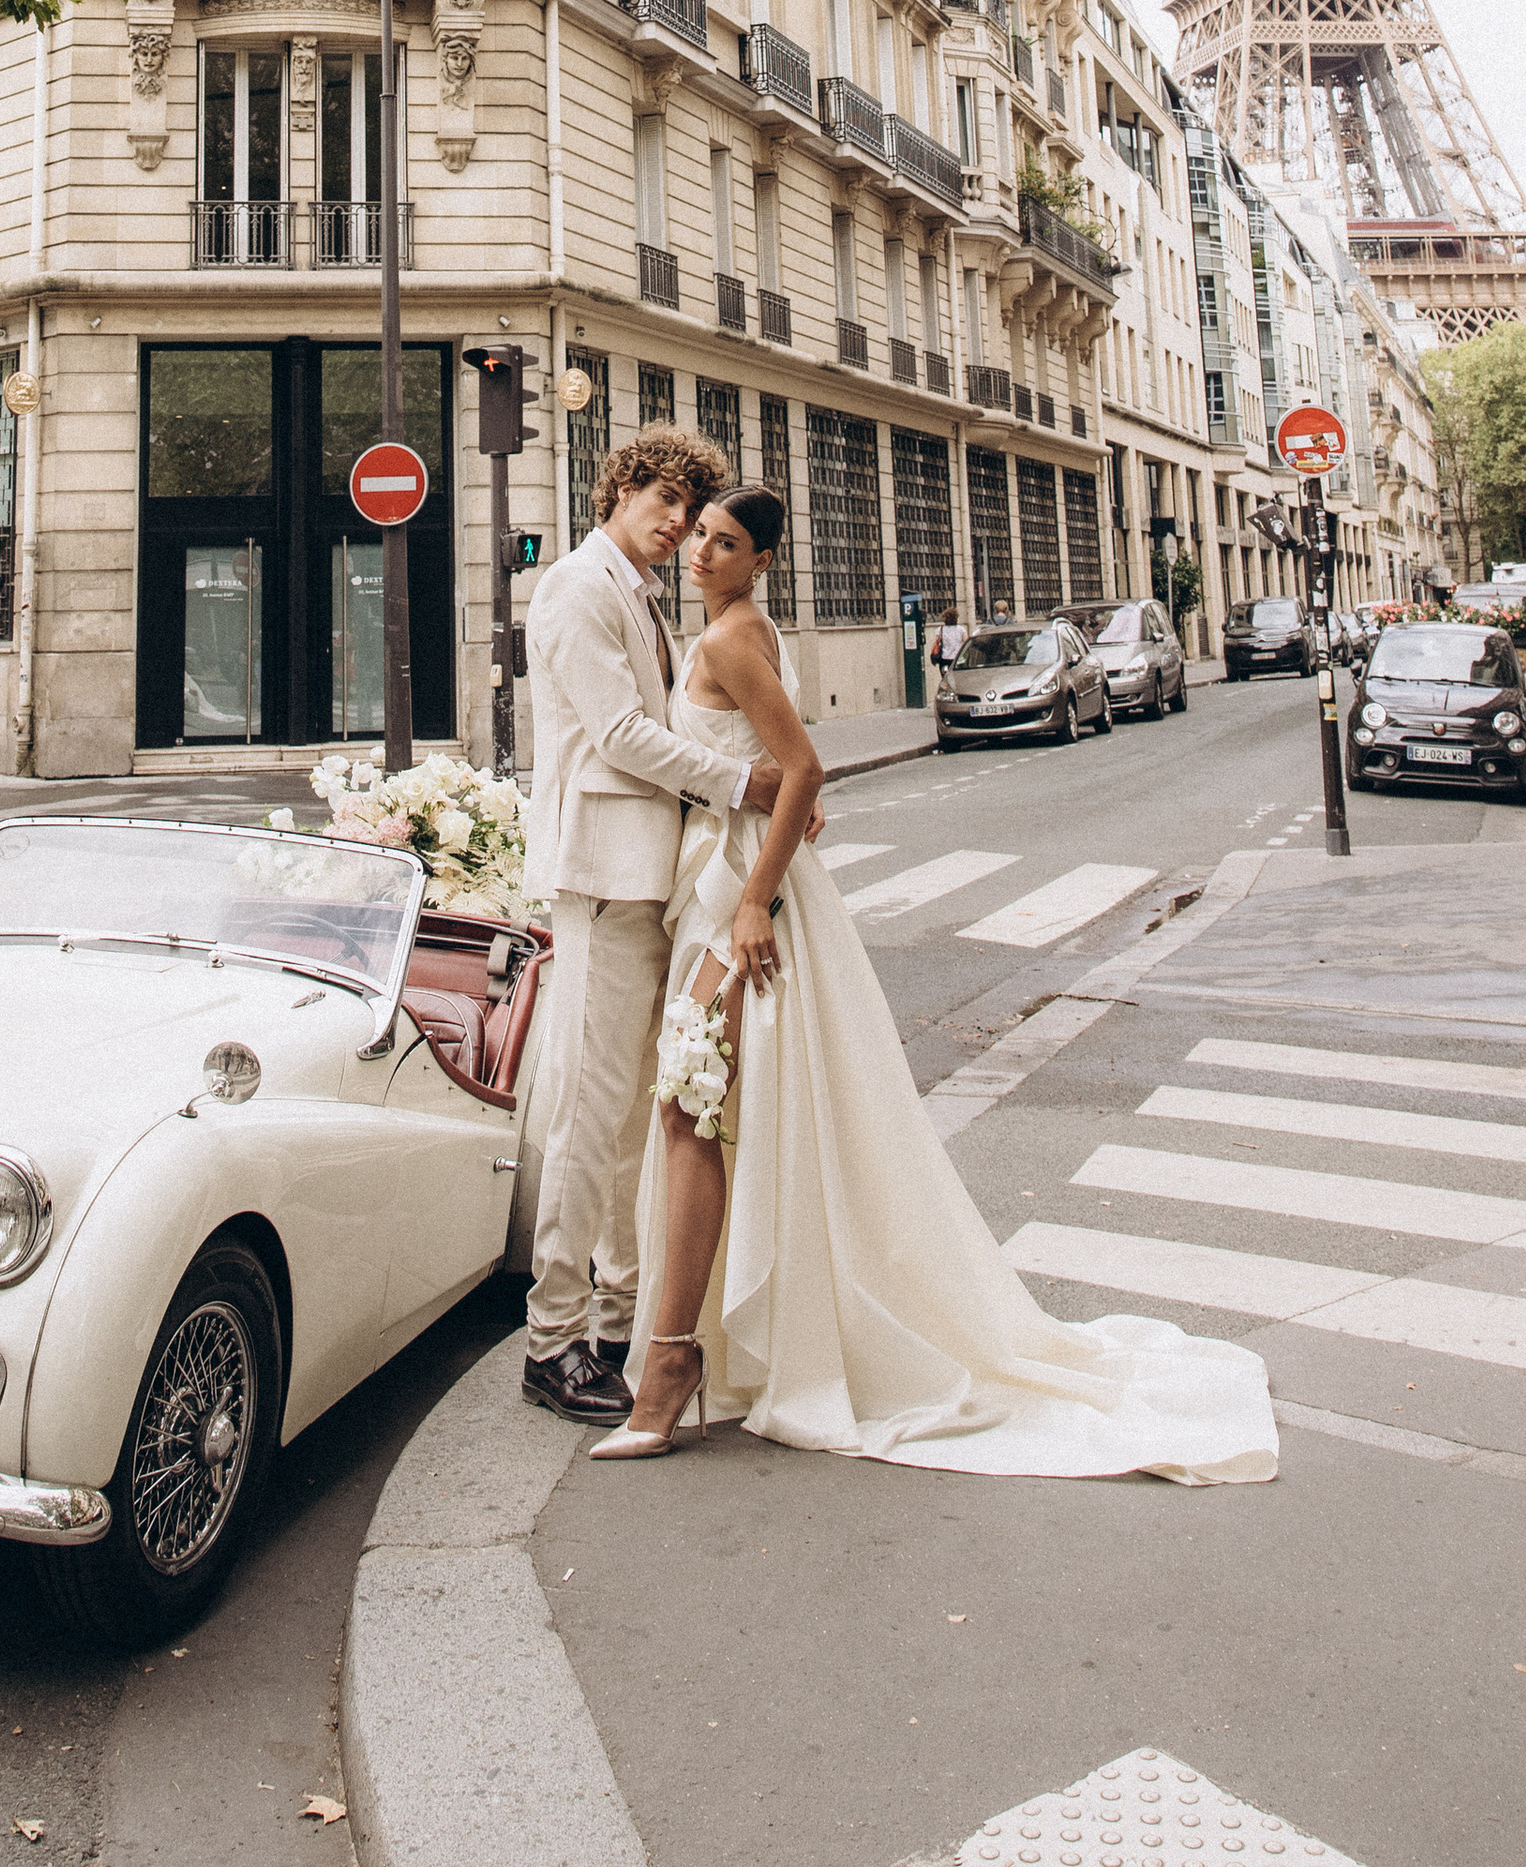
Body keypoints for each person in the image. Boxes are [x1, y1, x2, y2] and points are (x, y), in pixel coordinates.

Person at [591, 486, 1277, 1484]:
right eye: (698, 533)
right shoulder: (737, 631)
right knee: (717, 1115)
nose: (701, 550)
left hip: (739, 895)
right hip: (726, 885)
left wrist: (753, 903)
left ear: (759, 562)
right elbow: (777, 776)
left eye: (724, 542)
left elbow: (804, 770)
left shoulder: (732, 640)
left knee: (692, 1115)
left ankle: (670, 1375)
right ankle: (693, 1354)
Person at [517, 427, 800, 1425]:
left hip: (654, 881)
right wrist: (743, 783)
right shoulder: (576, 590)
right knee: (590, 1113)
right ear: (622, 488)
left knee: (642, 1111)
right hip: (599, 875)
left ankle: (615, 1316)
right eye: (664, 500)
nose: (677, 522)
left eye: (692, 510)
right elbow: (619, 734)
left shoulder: (639, 593)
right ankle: (551, 1342)